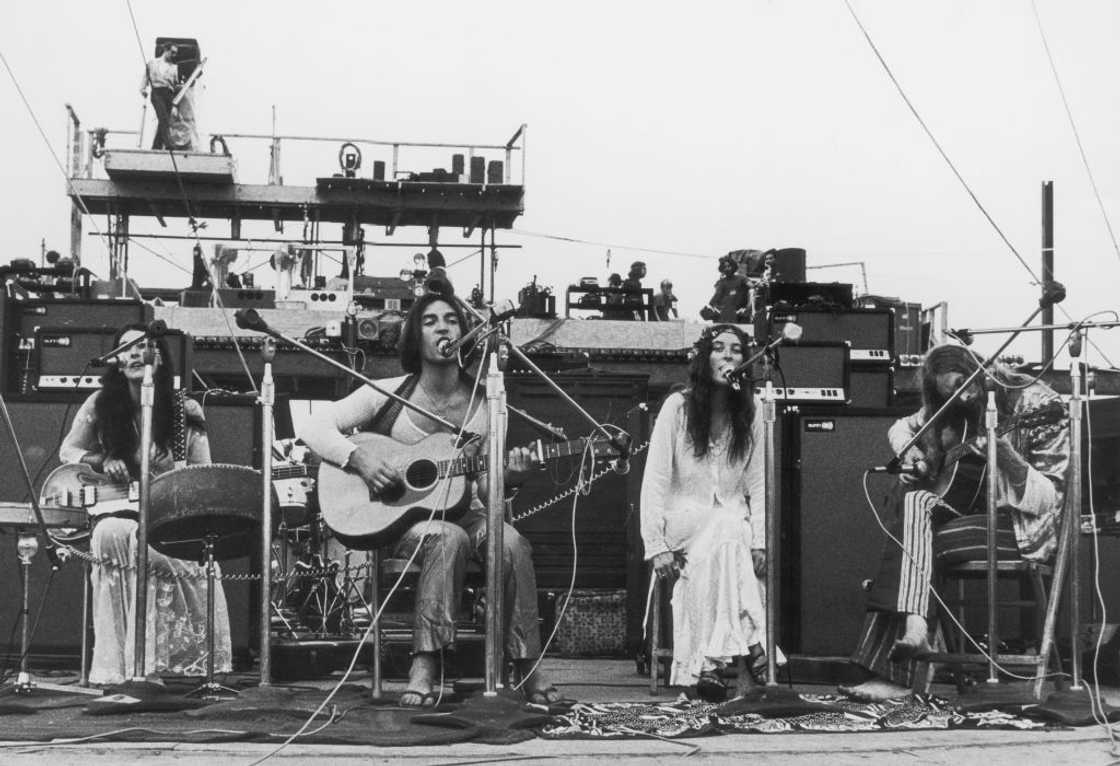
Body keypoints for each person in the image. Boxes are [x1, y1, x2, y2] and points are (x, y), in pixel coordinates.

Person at [299, 290, 559, 707]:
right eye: (431, 320)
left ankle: (526, 662)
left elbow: (486, 492)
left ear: (467, 331)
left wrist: (510, 478)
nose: (444, 327)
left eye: (452, 320)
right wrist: (359, 458)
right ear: (414, 337)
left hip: (468, 512)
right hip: (402, 519)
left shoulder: (490, 402)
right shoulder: (386, 392)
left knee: (511, 541)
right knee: (445, 538)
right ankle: (426, 660)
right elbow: (314, 425)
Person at [842, 344, 1069, 701]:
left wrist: (1006, 455)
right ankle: (912, 632)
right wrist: (913, 454)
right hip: (967, 516)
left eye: (965, 382)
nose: (964, 396)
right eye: (951, 393)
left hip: (1020, 529)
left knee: (912, 536)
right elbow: (902, 427)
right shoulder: (956, 407)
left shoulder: (1039, 403)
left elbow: (1049, 500)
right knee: (916, 504)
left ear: (978, 368)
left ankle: (901, 669)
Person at [60, 323, 232, 686]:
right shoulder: (99, 404)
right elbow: (68, 451)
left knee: (143, 543)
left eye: (144, 345)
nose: (135, 352)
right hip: (118, 510)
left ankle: (153, 666)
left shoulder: (184, 408)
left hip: (168, 521)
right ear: (117, 362)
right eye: (126, 347)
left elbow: (203, 474)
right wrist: (101, 460)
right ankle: (118, 669)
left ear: (159, 357)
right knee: (107, 534)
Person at [640, 323, 780, 699]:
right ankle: (756, 645)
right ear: (704, 359)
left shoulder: (752, 411)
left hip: (730, 525)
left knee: (727, 534)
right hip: (683, 518)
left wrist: (763, 540)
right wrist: (655, 545)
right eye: (719, 348)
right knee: (727, 528)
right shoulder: (678, 407)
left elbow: (758, 483)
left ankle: (707, 667)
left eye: (737, 349)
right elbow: (654, 480)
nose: (730, 356)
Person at [139, 43, 180, 150]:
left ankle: (156, 146)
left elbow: (175, 84)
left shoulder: (174, 67)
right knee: (163, 118)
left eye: (176, 53)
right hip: (157, 92)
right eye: (172, 52)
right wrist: (143, 89)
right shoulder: (152, 63)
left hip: (169, 95)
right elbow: (145, 77)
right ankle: (168, 144)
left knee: (163, 121)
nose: (174, 55)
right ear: (166, 50)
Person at [700, 254, 752, 323]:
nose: (727, 268)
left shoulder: (741, 278)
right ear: (722, 269)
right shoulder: (721, 282)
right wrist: (715, 309)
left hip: (738, 313)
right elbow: (714, 299)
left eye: (729, 266)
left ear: (733, 266)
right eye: (724, 267)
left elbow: (752, 287)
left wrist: (746, 308)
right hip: (723, 313)